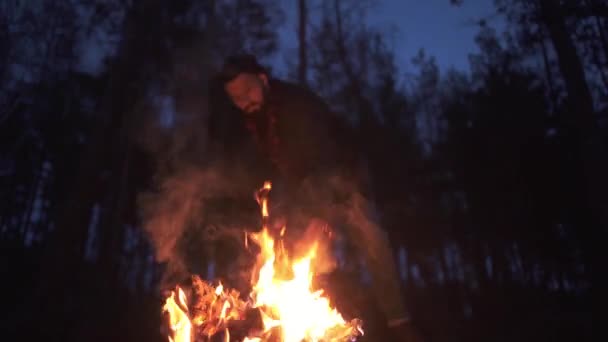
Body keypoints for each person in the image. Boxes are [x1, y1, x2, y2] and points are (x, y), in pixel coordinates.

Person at [207, 54, 422, 341]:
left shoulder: (298, 106)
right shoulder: (253, 120)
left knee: (370, 237)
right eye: (236, 99)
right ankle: (305, 326)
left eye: (248, 92)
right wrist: (274, 213)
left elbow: (326, 161)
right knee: (293, 250)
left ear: (263, 78)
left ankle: (400, 324)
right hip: (304, 187)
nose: (244, 102)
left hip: (343, 177)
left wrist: (319, 218)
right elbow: (270, 171)